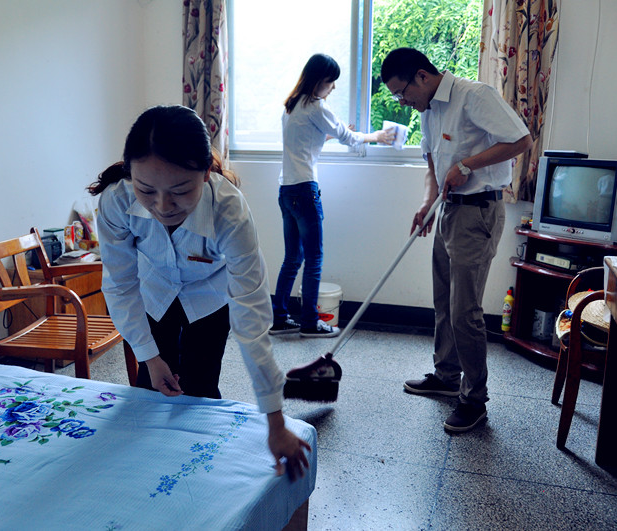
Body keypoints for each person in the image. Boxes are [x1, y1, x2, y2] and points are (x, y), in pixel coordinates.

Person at [90, 104, 310, 478]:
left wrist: (275, 422)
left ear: (206, 172)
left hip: (210, 296)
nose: (163, 207)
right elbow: (120, 285)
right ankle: (148, 470)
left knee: (201, 383)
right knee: (151, 385)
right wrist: (150, 357)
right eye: (146, 190)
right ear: (130, 173)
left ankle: (195, 473)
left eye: (180, 191)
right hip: (154, 291)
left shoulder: (229, 212)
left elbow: (251, 317)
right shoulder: (116, 200)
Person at [380, 48, 532, 432]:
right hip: (449, 211)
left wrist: (467, 165)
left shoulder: (474, 95)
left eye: (402, 92)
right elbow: (433, 164)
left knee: (465, 310)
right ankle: (447, 376)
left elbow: (520, 140)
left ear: (421, 76)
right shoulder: (428, 110)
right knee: (444, 300)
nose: (402, 101)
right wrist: (427, 203)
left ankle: (474, 399)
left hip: (478, 212)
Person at [271, 53, 395, 338]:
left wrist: (336, 134)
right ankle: (309, 322)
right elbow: (348, 138)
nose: (333, 87)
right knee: (314, 258)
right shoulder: (316, 106)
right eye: (330, 82)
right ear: (318, 81)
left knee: (292, 259)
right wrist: (376, 136)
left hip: (286, 190)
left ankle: (279, 318)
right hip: (305, 190)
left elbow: (305, 140)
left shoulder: (291, 106)